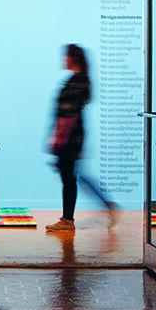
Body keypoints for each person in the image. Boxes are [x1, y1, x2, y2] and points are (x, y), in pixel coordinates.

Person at [45, 44, 92, 232]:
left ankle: (67, 219)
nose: (64, 59)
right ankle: (67, 218)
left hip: (70, 139)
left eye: (66, 56)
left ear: (73, 58)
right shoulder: (79, 80)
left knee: (69, 178)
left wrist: (59, 137)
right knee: (70, 177)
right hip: (73, 138)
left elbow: (68, 115)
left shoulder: (77, 82)